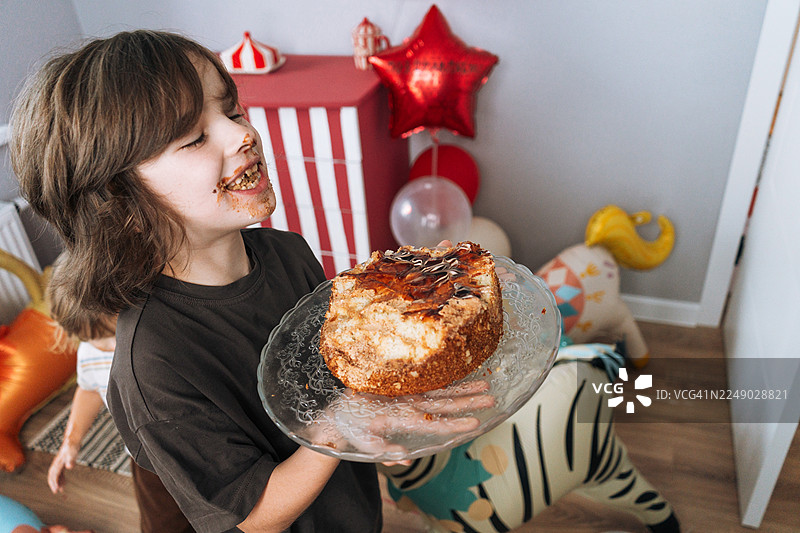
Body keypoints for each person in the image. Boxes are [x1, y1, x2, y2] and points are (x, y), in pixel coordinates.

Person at [12, 30, 481, 533]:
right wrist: (339, 427)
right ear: (119, 200)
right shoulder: (152, 363)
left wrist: (395, 367)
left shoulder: (289, 253)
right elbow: (254, 516)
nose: (243, 135)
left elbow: (339, 373)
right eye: (194, 137)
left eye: (232, 112)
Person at [46, 261, 197, 533]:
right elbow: (89, 389)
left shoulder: (159, 335)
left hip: (197, 444)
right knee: (162, 525)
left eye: (118, 329)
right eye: (100, 340)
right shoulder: (90, 355)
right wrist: (72, 440)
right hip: (149, 459)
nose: (115, 345)